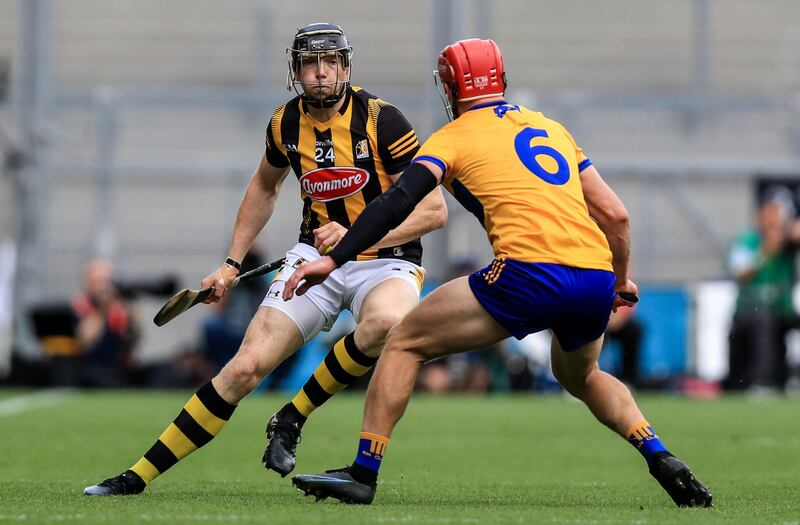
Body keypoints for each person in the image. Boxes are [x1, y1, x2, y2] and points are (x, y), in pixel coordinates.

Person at [285, 39, 712, 508]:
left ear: (450, 87)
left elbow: (397, 203)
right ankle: (658, 454)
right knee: (582, 376)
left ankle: (363, 471)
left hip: (527, 272)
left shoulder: (452, 137)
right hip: (593, 274)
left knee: (404, 340)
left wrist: (336, 256)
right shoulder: (550, 128)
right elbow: (615, 215)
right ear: (500, 79)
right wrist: (622, 279)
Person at [83, 22, 446, 496]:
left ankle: (292, 416)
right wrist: (230, 265)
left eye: (330, 61)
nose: (321, 72)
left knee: (387, 323)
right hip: (314, 258)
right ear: (296, 70)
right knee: (244, 368)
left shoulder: (383, 120)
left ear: (345, 66)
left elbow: (434, 210)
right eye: (310, 62)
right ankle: (136, 477)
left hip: (387, 260)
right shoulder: (284, 123)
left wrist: (356, 239)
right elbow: (264, 186)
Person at [725, 186, 800, 392]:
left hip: (783, 312)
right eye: (769, 211)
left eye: (778, 212)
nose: (773, 219)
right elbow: (740, 272)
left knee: (772, 319)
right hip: (749, 313)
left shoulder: (788, 242)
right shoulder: (746, 241)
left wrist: (788, 232)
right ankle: (763, 381)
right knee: (763, 320)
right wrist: (767, 251)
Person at [72, 258, 139, 387]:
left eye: (107, 281)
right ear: (88, 283)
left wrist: (133, 314)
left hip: (117, 369)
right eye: (98, 281)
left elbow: (132, 340)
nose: (104, 287)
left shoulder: (120, 307)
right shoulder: (81, 305)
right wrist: (103, 309)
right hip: (88, 370)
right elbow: (84, 342)